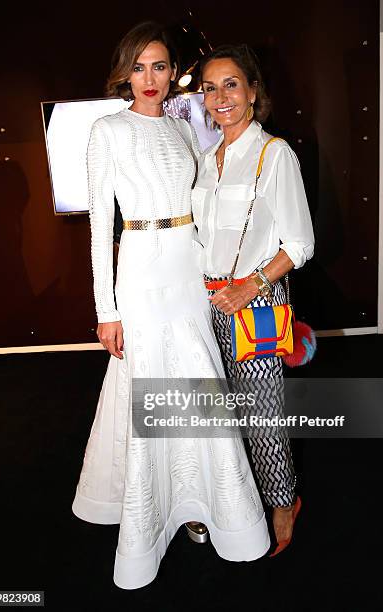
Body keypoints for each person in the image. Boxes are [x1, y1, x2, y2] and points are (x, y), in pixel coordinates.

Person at [71, 23, 270, 590]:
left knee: (196, 380)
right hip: (139, 265)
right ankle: (151, 515)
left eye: (160, 67)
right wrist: (105, 309)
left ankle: (200, 505)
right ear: (124, 72)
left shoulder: (186, 130)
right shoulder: (107, 130)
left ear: (171, 72)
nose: (150, 79)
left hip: (187, 264)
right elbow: (98, 226)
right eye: (139, 67)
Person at [193, 44, 315, 555]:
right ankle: (233, 501)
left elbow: (301, 243)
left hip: (255, 303)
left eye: (231, 84)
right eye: (210, 87)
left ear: (252, 90)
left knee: (262, 414)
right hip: (205, 302)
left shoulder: (274, 153)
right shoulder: (205, 159)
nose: (221, 96)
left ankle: (283, 501)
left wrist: (250, 288)